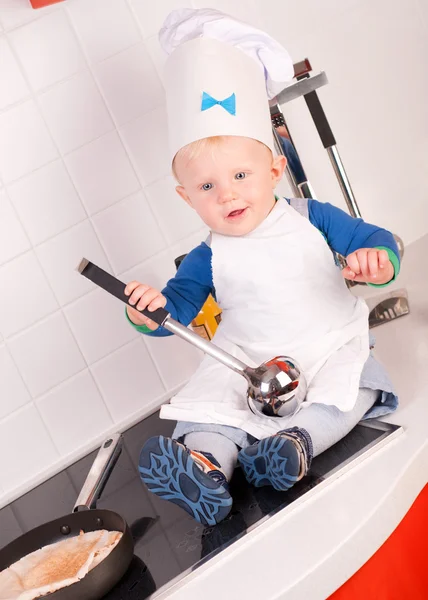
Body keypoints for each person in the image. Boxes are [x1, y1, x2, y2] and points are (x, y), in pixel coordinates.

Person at [124, 9, 400, 526]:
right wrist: (149, 311)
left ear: (274, 171)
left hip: (328, 343)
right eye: (207, 187)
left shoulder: (312, 218)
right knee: (208, 406)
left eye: (240, 175)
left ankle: (293, 448)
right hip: (245, 363)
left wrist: (375, 262)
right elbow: (176, 310)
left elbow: (376, 244)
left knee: (352, 387)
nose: (226, 193)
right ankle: (204, 469)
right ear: (187, 198)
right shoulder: (208, 254)